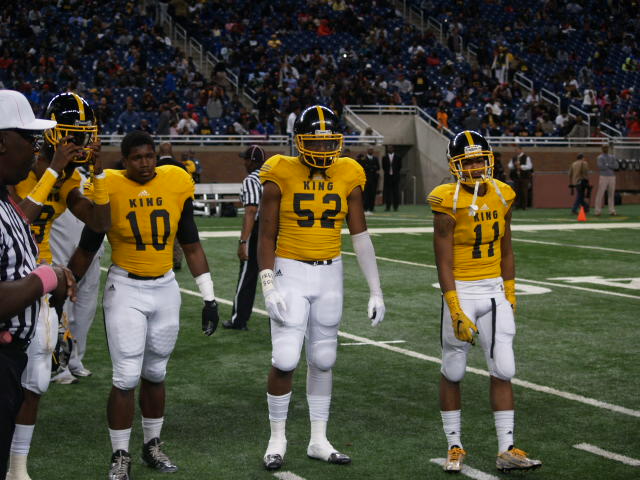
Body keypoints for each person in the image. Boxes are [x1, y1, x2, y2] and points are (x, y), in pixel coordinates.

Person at [68, 130, 220, 480]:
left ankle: (152, 445)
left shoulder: (175, 181)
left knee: (156, 373)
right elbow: (88, 245)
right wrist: (65, 288)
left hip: (165, 286)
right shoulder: (109, 184)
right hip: (126, 287)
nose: (145, 163)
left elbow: (191, 243)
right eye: (137, 157)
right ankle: (119, 454)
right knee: (125, 377)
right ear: (124, 160)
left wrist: (209, 296)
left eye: (150, 155)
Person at [258, 105, 385, 471]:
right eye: (315, 141)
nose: (323, 148)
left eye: (329, 142)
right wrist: (268, 284)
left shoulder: (349, 171)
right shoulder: (280, 170)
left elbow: (360, 235)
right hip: (290, 269)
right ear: (299, 141)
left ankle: (318, 439)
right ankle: (277, 438)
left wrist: (376, 290)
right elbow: (265, 235)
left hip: (331, 272)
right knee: (285, 359)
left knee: (324, 359)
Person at [7, 92, 112, 480]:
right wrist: (52, 170)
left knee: (36, 379)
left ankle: (18, 468)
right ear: (53, 135)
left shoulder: (66, 178)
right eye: (73, 136)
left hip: (38, 281)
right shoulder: (17, 171)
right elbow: (18, 220)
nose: (80, 144)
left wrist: (99, 176)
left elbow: (99, 222)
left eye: (85, 136)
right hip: (7, 275)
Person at [427, 130, 542, 474]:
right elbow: (443, 261)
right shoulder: (447, 201)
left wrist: (511, 290)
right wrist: (454, 307)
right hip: (462, 289)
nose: (476, 167)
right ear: (455, 166)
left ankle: (506, 448)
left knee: (504, 368)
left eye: (480, 160)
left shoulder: (503, 194)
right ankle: (454, 445)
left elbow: (507, 248)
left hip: (493, 290)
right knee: (453, 370)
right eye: (469, 162)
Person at [0, 89, 76, 480]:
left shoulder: (6, 199)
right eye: (29, 140)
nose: (35, 150)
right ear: (2, 142)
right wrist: (48, 277)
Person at [223, 145, 266, 331]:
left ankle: (239, 319)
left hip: (258, 231)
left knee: (248, 275)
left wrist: (243, 241)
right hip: (277, 230)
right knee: (278, 276)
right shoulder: (273, 177)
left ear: (252, 161)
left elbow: (251, 210)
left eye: (246, 159)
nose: (244, 163)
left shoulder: (251, 180)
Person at [594, 143, 618, 216]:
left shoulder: (612, 157)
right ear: (602, 149)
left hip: (612, 177)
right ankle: (597, 211)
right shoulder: (600, 157)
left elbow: (616, 166)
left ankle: (612, 210)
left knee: (611, 194)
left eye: (607, 147)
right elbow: (601, 167)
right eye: (604, 147)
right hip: (603, 176)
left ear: (608, 149)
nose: (606, 149)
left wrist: (607, 165)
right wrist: (610, 166)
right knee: (600, 193)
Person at [508, 145, 533, 209]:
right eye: (515, 150)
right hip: (516, 177)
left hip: (524, 177)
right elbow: (510, 165)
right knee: (516, 191)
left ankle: (524, 206)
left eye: (517, 150)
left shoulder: (526, 157)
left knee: (524, 191)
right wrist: (514, 165)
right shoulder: (514, 158)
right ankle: (517, 205)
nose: (516, 151)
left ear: (521, 150)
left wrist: (521, 166)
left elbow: (529, 166)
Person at [358, 147, 380, 214]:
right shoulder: (364, 159)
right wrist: (372, 168)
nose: (371, 151)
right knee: (366, 194)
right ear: (367, 150)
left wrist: (370, 167)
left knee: (372, 194)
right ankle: (365, 207)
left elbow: (378, 167)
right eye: (370, 150)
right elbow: (364, 167)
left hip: (373, 180)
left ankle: (371, 207)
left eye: (372, 150)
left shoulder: (375, 158)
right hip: (366, 179)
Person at [382, 144, 402, 211]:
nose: (389, 149)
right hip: (387, 177)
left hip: (395, 177)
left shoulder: (398, 157)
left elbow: (399, 166)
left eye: (390, 148)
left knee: (396, 192)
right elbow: (384, 167)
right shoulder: (384, 157)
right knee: (388, 193)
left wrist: (395, 173)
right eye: (388, 148)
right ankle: (388, 207)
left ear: (393, 149)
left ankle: (395, 207)